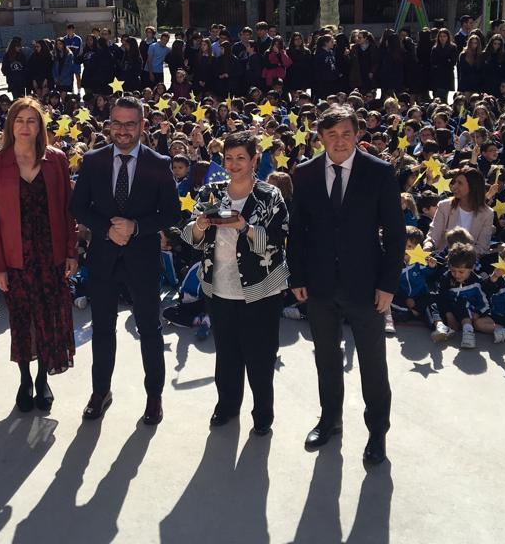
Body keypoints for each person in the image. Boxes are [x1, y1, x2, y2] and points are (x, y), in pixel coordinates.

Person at [288, 104, 405, 465]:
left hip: (367, 286)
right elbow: (298, 230)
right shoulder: (305, 173)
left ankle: (377, 432)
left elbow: (395, 233)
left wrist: (388, 284)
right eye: (331, 134)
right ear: (320, 137)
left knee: (373, 364)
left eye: (346, 133)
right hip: (320, 284)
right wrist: (297, 276)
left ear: (357, 134)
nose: (339, 141)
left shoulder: (379, 172)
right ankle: (330, 420)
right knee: (325, 358)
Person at [70, 95, 181, 425]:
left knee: (150, 330)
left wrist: (136, 228)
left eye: (130, 124)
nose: (122, 130)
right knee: (103, 330)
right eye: (116, 123)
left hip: (142, 261)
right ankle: (100, 392)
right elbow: (78, 207)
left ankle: (154, 397)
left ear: (142, 125)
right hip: (103, 260)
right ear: (109, 125)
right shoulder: (93, 160)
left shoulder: (158, 163)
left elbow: (172, 213)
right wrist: (106, 229)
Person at [182, 131, 289, 435]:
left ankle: (263, 414)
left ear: (255, 159)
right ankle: (227, 406)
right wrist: (199, 224)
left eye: (241, 157)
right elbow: (189, 238)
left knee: (260, 356)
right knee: (227, 354)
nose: (234, 164)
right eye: (229, 158)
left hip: (262, 290)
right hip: (219, 288)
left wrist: (245, 227)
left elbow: (277, 242)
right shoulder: (211, 192)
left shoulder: (269, 195)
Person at [0, 97, 77, 413]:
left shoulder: (57, 160)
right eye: (20, 120)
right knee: (22, 321)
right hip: (15, 259)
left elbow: (67, 210)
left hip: (51, 255)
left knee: (48, 319)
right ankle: (25, 378)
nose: (25, 126)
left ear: (40, 126)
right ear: (11, 125)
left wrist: (71, 251)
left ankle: (42, 379)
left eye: (32, 120)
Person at [424, 166, 494, 254]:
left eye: (460, 183)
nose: (454, 186)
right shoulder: (444, 206)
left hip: (469, 260)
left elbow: (482, 247)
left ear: (473, 187)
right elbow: (433, 236)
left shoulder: (487, 214)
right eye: (455, 182)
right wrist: (428, 247)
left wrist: (460, 255)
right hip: (441, 258)